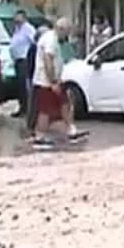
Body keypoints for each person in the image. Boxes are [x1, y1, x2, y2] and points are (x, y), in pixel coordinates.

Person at [31, 18, 86, 149]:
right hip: (46, 82)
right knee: (45, 110)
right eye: (67, 32)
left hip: (53, 80)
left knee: (64, 103)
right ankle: (40, 136)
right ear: (61, 29)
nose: (67, 36)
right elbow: (48, 61)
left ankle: (70, 130)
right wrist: (53, 81)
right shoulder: (50, 40)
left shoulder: (53, 39)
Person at [8, 10, 36, 118]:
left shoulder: (28, 28)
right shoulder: (17, 29)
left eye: (18, 17)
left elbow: (34, 41)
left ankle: (27, 109)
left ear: (24, 17)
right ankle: (22, 107)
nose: (16, 19)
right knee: (20, 86)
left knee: (25, 85)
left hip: (25, 60)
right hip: (17, 60)